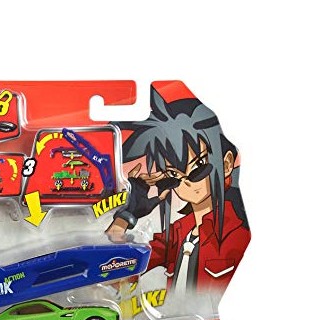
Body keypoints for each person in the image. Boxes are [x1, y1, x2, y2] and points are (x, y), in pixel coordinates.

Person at [106, 84, 249, 301]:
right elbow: (113, 273)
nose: (186, 183)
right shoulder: (177, 235)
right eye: (173, 175)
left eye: (198, 166)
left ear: (227, 164)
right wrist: (126, 215)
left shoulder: (234, 233)